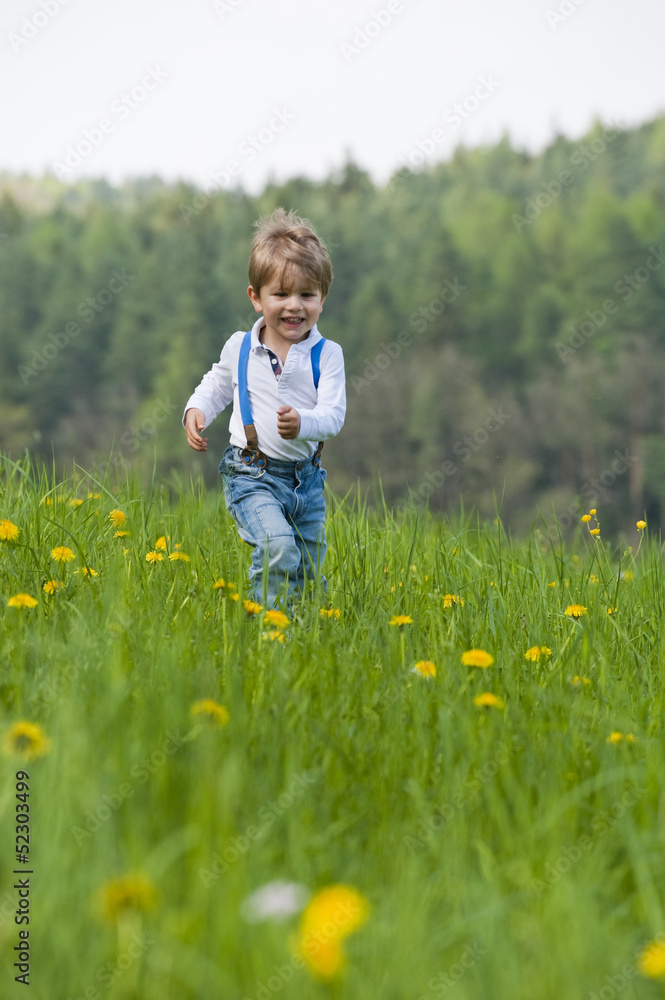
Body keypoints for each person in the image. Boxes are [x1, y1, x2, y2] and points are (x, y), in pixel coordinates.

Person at [183, 208, 346, 608]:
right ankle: (268, 633)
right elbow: (218, 384)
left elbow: (334, 416)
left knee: (308, 574)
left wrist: (303, 424)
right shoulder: (240, 346)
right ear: (256, 298)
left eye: (307, 295)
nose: (295, 306)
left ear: (322, 298)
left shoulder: (326, 355)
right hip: (251, 473)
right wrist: (196, 410)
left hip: (306, 483)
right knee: (278, 548)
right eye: (281, 294)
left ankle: (303, 638)